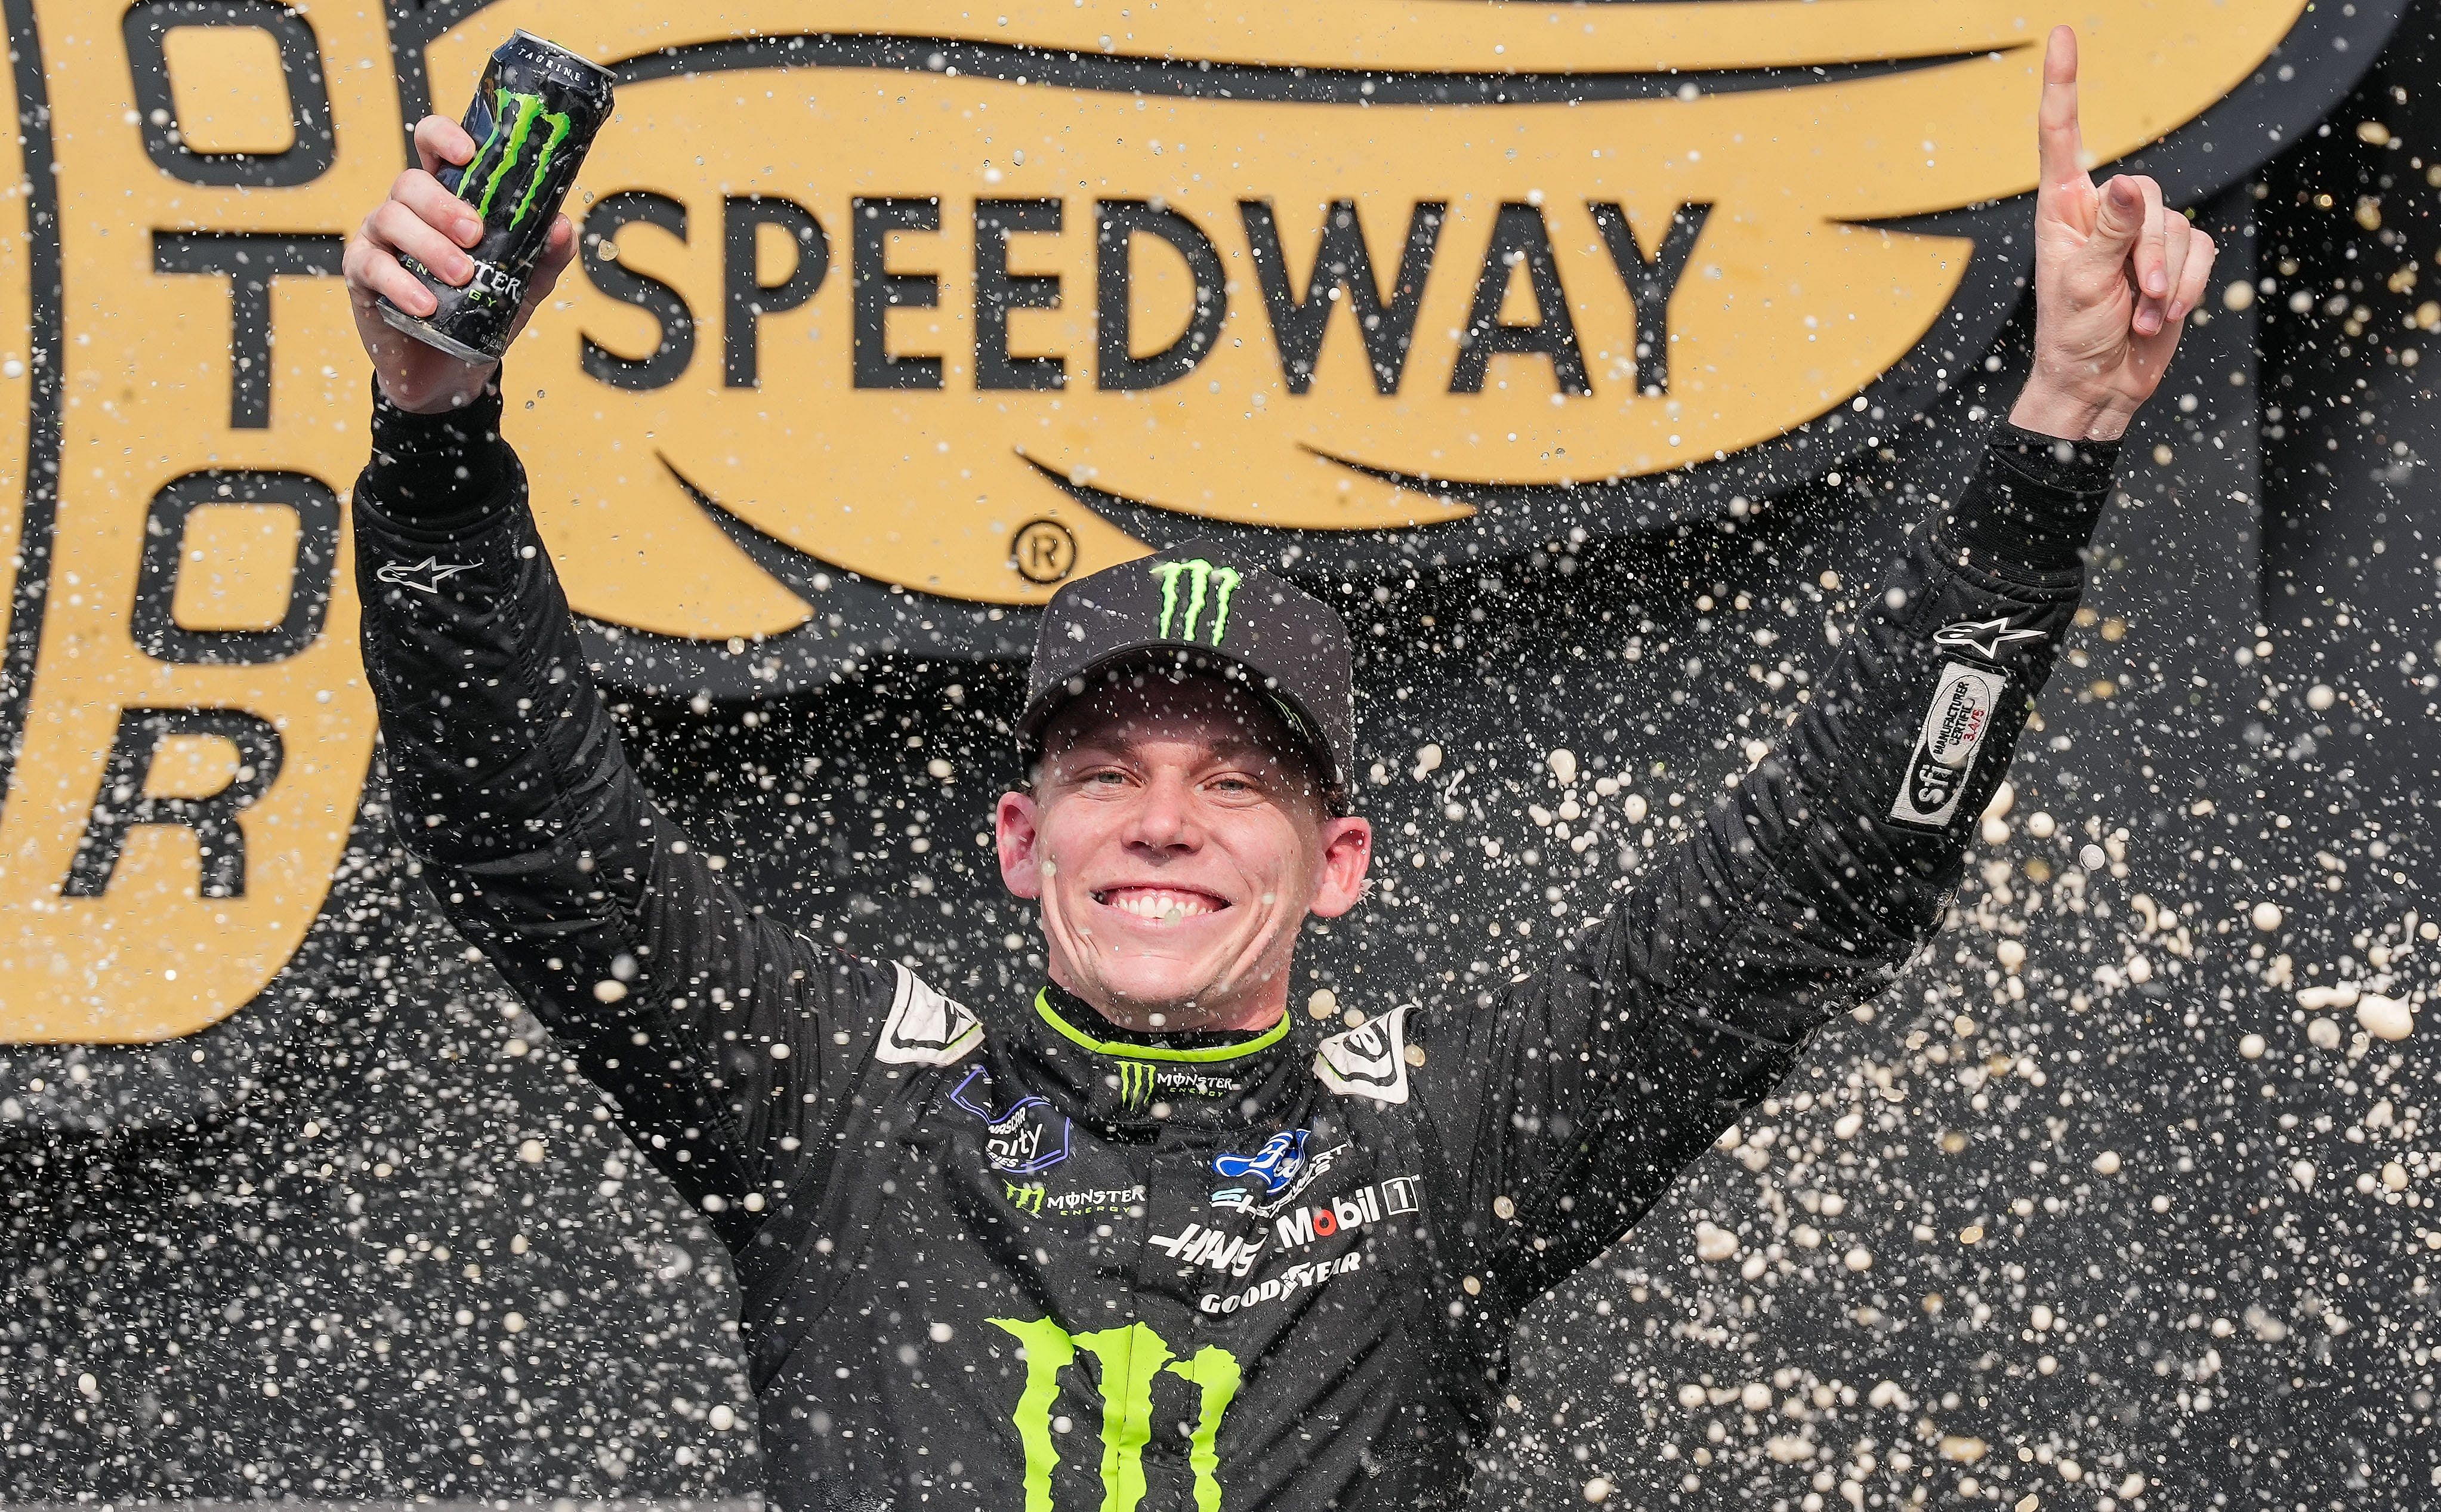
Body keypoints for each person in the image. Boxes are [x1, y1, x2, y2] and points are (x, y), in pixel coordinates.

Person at [341, 26, 2211, 1512]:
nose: (1163, 817)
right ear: (1019, 838)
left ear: (1336, 863)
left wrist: (2052, 437)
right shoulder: (845, 1114)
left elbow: (1821, 878)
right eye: (1109, 771)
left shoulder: (1438, 1150)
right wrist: (432, 433)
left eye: (1237, 782)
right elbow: (526, 835)